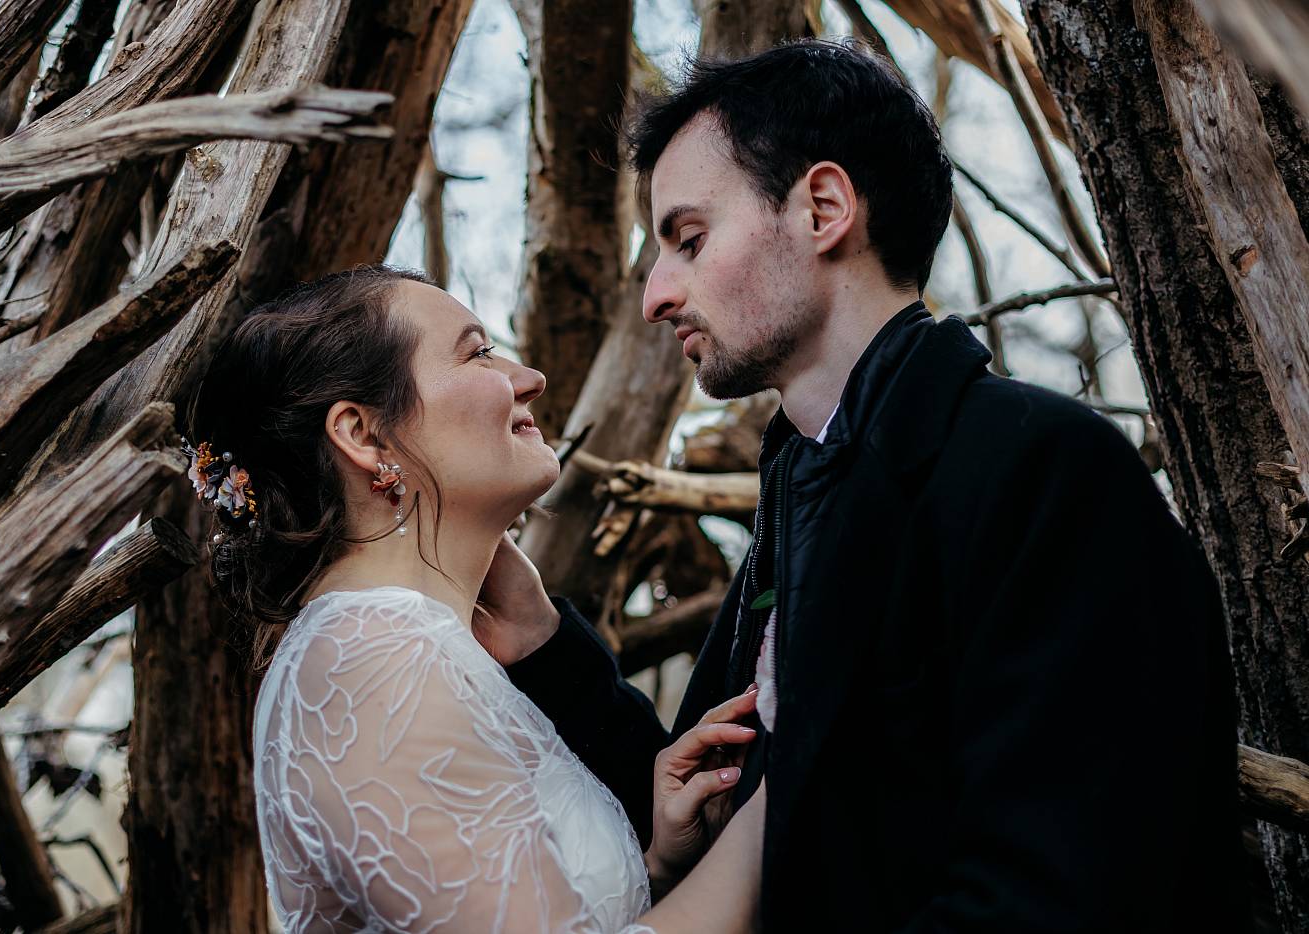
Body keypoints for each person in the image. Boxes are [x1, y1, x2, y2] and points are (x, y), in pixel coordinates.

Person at [483, 38, 1251, 931]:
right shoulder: (803, 496)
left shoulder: (1044, 474)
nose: (656, 295)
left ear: (823, 208)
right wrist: (543, 644)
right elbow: (725, 825)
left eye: (690, 240)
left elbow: (1065, 892)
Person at [184, 266, 767, 932]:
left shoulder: (402, 650)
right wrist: (781, 796)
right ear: (364, 436)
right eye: (478, 352)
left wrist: (655, 867)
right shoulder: (370, 666)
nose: (530, 378)